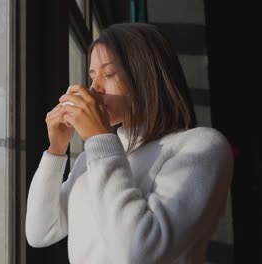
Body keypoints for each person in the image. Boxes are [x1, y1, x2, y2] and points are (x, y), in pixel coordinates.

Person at [25, 22, 234, 264]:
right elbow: (41, 232)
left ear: (147, 74)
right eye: (92, 76)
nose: (94, 89)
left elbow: (139, 252)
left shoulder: (200, 147)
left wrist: (99, 140)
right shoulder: (95, 156)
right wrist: (56, 150)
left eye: (109, 73)